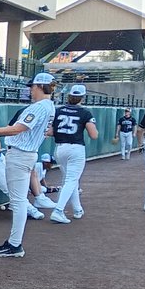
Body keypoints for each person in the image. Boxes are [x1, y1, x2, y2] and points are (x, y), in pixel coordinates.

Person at [0, 72, 59, 257]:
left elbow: (18, 128)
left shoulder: (39, 107)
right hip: (26, 154)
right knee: (19, 200)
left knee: (18, 201)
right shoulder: (49, 106)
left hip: (21, 155)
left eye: (32, 87)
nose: (30, 90)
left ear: (39, 87)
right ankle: (14, 243)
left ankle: (15, 245)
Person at [47, 83, 98, 223]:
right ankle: (58, 210)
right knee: (71, 180)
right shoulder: (85, 112)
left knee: (70, 180)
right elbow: (94, 135)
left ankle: (77, 209)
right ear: (82, 97)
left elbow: (50, 131)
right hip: (75, 148)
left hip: (60, 148)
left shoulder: (58, 110)